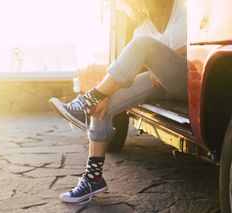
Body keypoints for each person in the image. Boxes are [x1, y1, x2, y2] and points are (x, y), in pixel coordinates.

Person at [49, 0, 187, 204]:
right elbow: (132, 68)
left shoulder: (186, 7)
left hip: (190, 79)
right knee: (103, 103)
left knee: (143, 45)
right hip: (159, 85)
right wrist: (107, 94)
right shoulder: (143, 27)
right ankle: (93, 178)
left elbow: (204, 41)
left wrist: (167, 61)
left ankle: (89, 99)